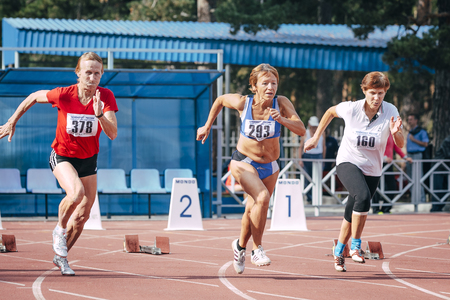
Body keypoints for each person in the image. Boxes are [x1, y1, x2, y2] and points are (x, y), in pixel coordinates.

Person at [0, 52, 118, 276]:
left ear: (101, 75)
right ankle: (59, 229)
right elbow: (34, 96)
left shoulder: (105, 97)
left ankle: (61, 257)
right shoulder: (64, 95)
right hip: (62, 156)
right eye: (88, 73)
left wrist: (100, 114)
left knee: (83, 214)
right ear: (78, 74)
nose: (92, 78)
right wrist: (11, 121)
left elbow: (112, 133)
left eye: (97, 73)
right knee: (75, 193)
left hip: (88, 160)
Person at [196, 63, 305, 274]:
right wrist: (207, 125)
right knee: (262, 198)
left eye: (274, 83)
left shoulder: (281, 103)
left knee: (251, 208)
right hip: (244, 162)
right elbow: (219, 100)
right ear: (254, 86)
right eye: (265, 83)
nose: (270, 87)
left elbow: (300, 129)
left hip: (271, 166)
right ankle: (257, 249)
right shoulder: (243, 103)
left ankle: (239, 246)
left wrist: (281, 119)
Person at [304, 71, 404, 272]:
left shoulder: (391, 110)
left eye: (381, 93)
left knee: (353, 210)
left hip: (372, 168)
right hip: (347, 161)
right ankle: (356, 246)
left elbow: (401, 144)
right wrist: (315, 138)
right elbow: (330, 112)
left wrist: (396, 133)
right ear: (364, 91)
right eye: (373, 93)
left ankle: (339, 250)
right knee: (362, 196)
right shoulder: (351, 109)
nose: (377, 98)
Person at [372, 133, 412, 214]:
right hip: (379, 163)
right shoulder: (379, 132)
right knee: (377, 186)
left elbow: (396, 147)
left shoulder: (391, 134)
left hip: (389, 164)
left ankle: (386, 208)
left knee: (391, 186)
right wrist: (384, 157)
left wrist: (405, 157)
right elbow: (375, 147)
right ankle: (376, 209)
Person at [298, 116, 326, 203]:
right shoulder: (305, 133)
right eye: (313, 126)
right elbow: (300, 147)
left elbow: (324, 147)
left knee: (317, 178)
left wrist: (323, 159)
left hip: (318, 156)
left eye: (315, 127)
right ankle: (309, 197)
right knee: (307, 178)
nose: (314, 128)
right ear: (309, 125)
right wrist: (300, 159)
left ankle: (316, 197)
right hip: (307, 156)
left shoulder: (322, 133)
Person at [406, 114, 429, 202]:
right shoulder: (410, 132)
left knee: (419, 177)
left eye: (411, 119)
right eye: (408, 119)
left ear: (416, 120)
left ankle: (421, 199)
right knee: (410, 178)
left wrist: (414, 140)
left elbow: (425, 144)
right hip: (409, 156)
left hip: (417, 155)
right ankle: (414, 199)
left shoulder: (421, 132)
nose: (409, 121)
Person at [430, 134, 450, 212]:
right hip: (438, 168)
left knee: (445, 189)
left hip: (446, 168)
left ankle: (439, 207)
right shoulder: (448, 141)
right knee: (438, 189)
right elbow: (448, 154)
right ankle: (435, 209)